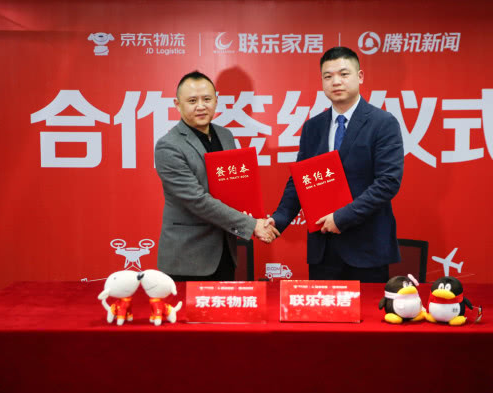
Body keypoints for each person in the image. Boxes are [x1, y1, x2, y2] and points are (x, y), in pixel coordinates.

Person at [267, 47, 404, 283]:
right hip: (323, 250)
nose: (336, 82)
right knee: (323, 307)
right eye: (328, 76)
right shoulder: (313, 127)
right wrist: (277, 220)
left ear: (360, 76)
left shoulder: (383, 123)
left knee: (368, 308)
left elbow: (388, 182)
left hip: (367, 249)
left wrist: (342, 217)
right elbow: (301, 180)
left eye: (343, 74)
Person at [155, 71, 279, 281]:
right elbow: (197, 200)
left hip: (225, 252)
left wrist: (256, 216)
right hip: (188, 259)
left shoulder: (225, 135)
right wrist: (252, 225)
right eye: (192, 101)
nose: (201, 106)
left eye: (207, 99)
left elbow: (235, 188)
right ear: (177, 104)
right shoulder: (168, 146)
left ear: (216, 100)